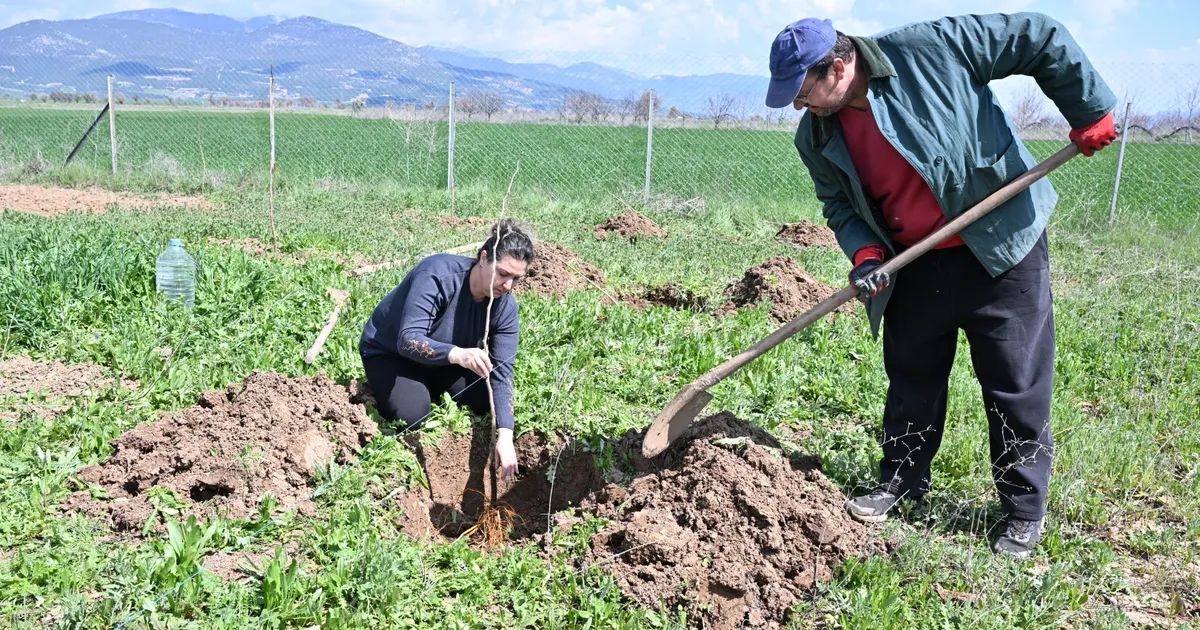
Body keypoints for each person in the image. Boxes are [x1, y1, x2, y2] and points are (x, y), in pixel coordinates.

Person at [765, 13, 1117, 559]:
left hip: (1000, 243)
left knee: (1014, 382)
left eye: (802, 91)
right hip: (913, 261)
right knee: (913, 377)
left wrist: (1088, 107)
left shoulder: (929, 49)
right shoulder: (816, 135)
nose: (797, 105)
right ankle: (901, 480)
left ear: (837, 66)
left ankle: (1024, 510)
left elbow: (1037, 35)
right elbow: (837, 204)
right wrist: (865, 252)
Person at [358, 219, 534, 482]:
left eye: (516, 279)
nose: (507, 286)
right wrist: (458, 355)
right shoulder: (438, 275)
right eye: (503, 273)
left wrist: (505, 435)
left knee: (484, 399)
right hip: (391, 353)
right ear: (483, 258)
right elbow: (408, 339)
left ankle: (426, 383)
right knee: (413, 415)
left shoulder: (504, 307)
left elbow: (502, 372)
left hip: (444, 360)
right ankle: (405, 387)